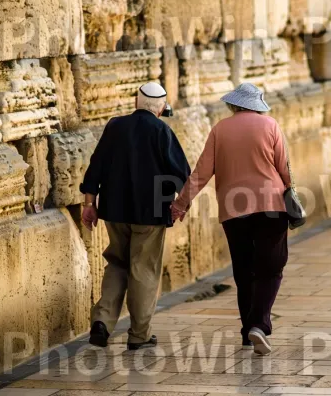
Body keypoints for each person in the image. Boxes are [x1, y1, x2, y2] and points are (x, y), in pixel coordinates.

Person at [171, 83, 291, 356]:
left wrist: (181, 203)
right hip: (271, 206)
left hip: (233, 210)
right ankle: (259, 325)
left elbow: (201, 173)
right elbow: (284, 167)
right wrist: (289, 192)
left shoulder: (219, 130)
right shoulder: (270, 125)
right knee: (271, 267)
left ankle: (248, 332)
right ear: (257, 105)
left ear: (234, 104)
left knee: (244, 269)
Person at [80, 82, 190, 350]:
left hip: (114, 210)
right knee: (143, 269)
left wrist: (89, 203)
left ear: (136, 103)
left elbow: (96, 166)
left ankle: (102, 322)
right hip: (150, 212)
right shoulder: (162, 130)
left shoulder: (115, 126)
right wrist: (180, 205)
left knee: (116, 262)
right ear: (162, 108)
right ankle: (139, 335)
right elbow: (182, 175)